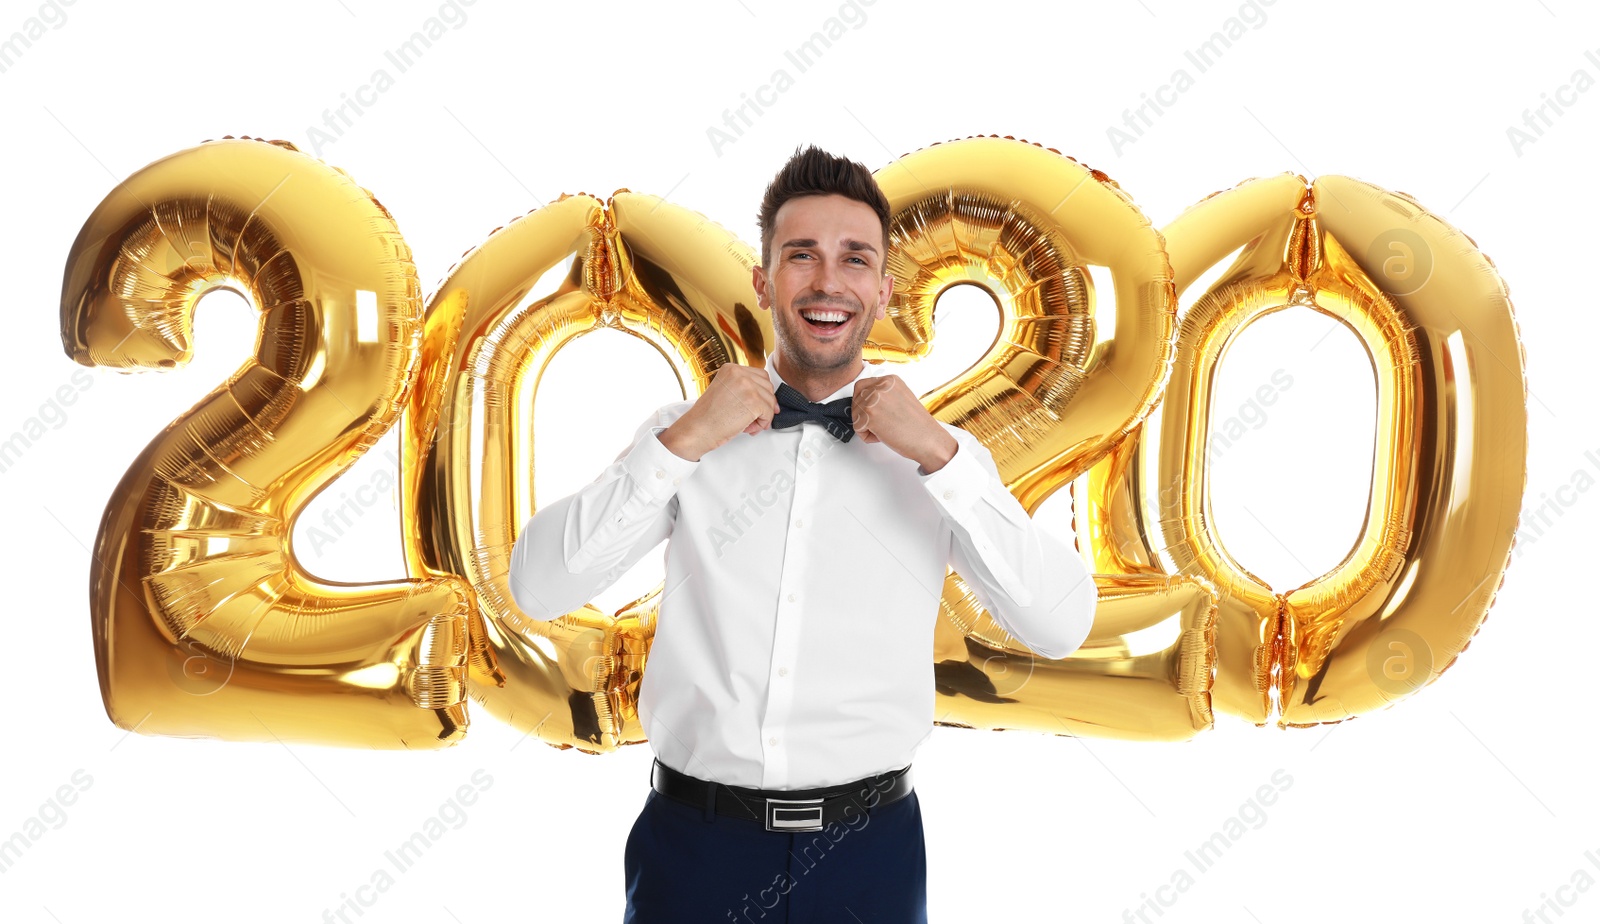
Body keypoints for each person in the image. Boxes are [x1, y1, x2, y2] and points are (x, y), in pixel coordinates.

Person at [508, 145, 1097, 922]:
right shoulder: (682, 438)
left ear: (884, 291)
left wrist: (942, 459)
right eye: (801, 257)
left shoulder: (945, 460)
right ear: (764, 282)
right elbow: (539, 584)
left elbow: (1061, 625)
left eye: (855, 259)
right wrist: (683, 440)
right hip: (693, 848)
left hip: (869, 857)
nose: (827, 282)